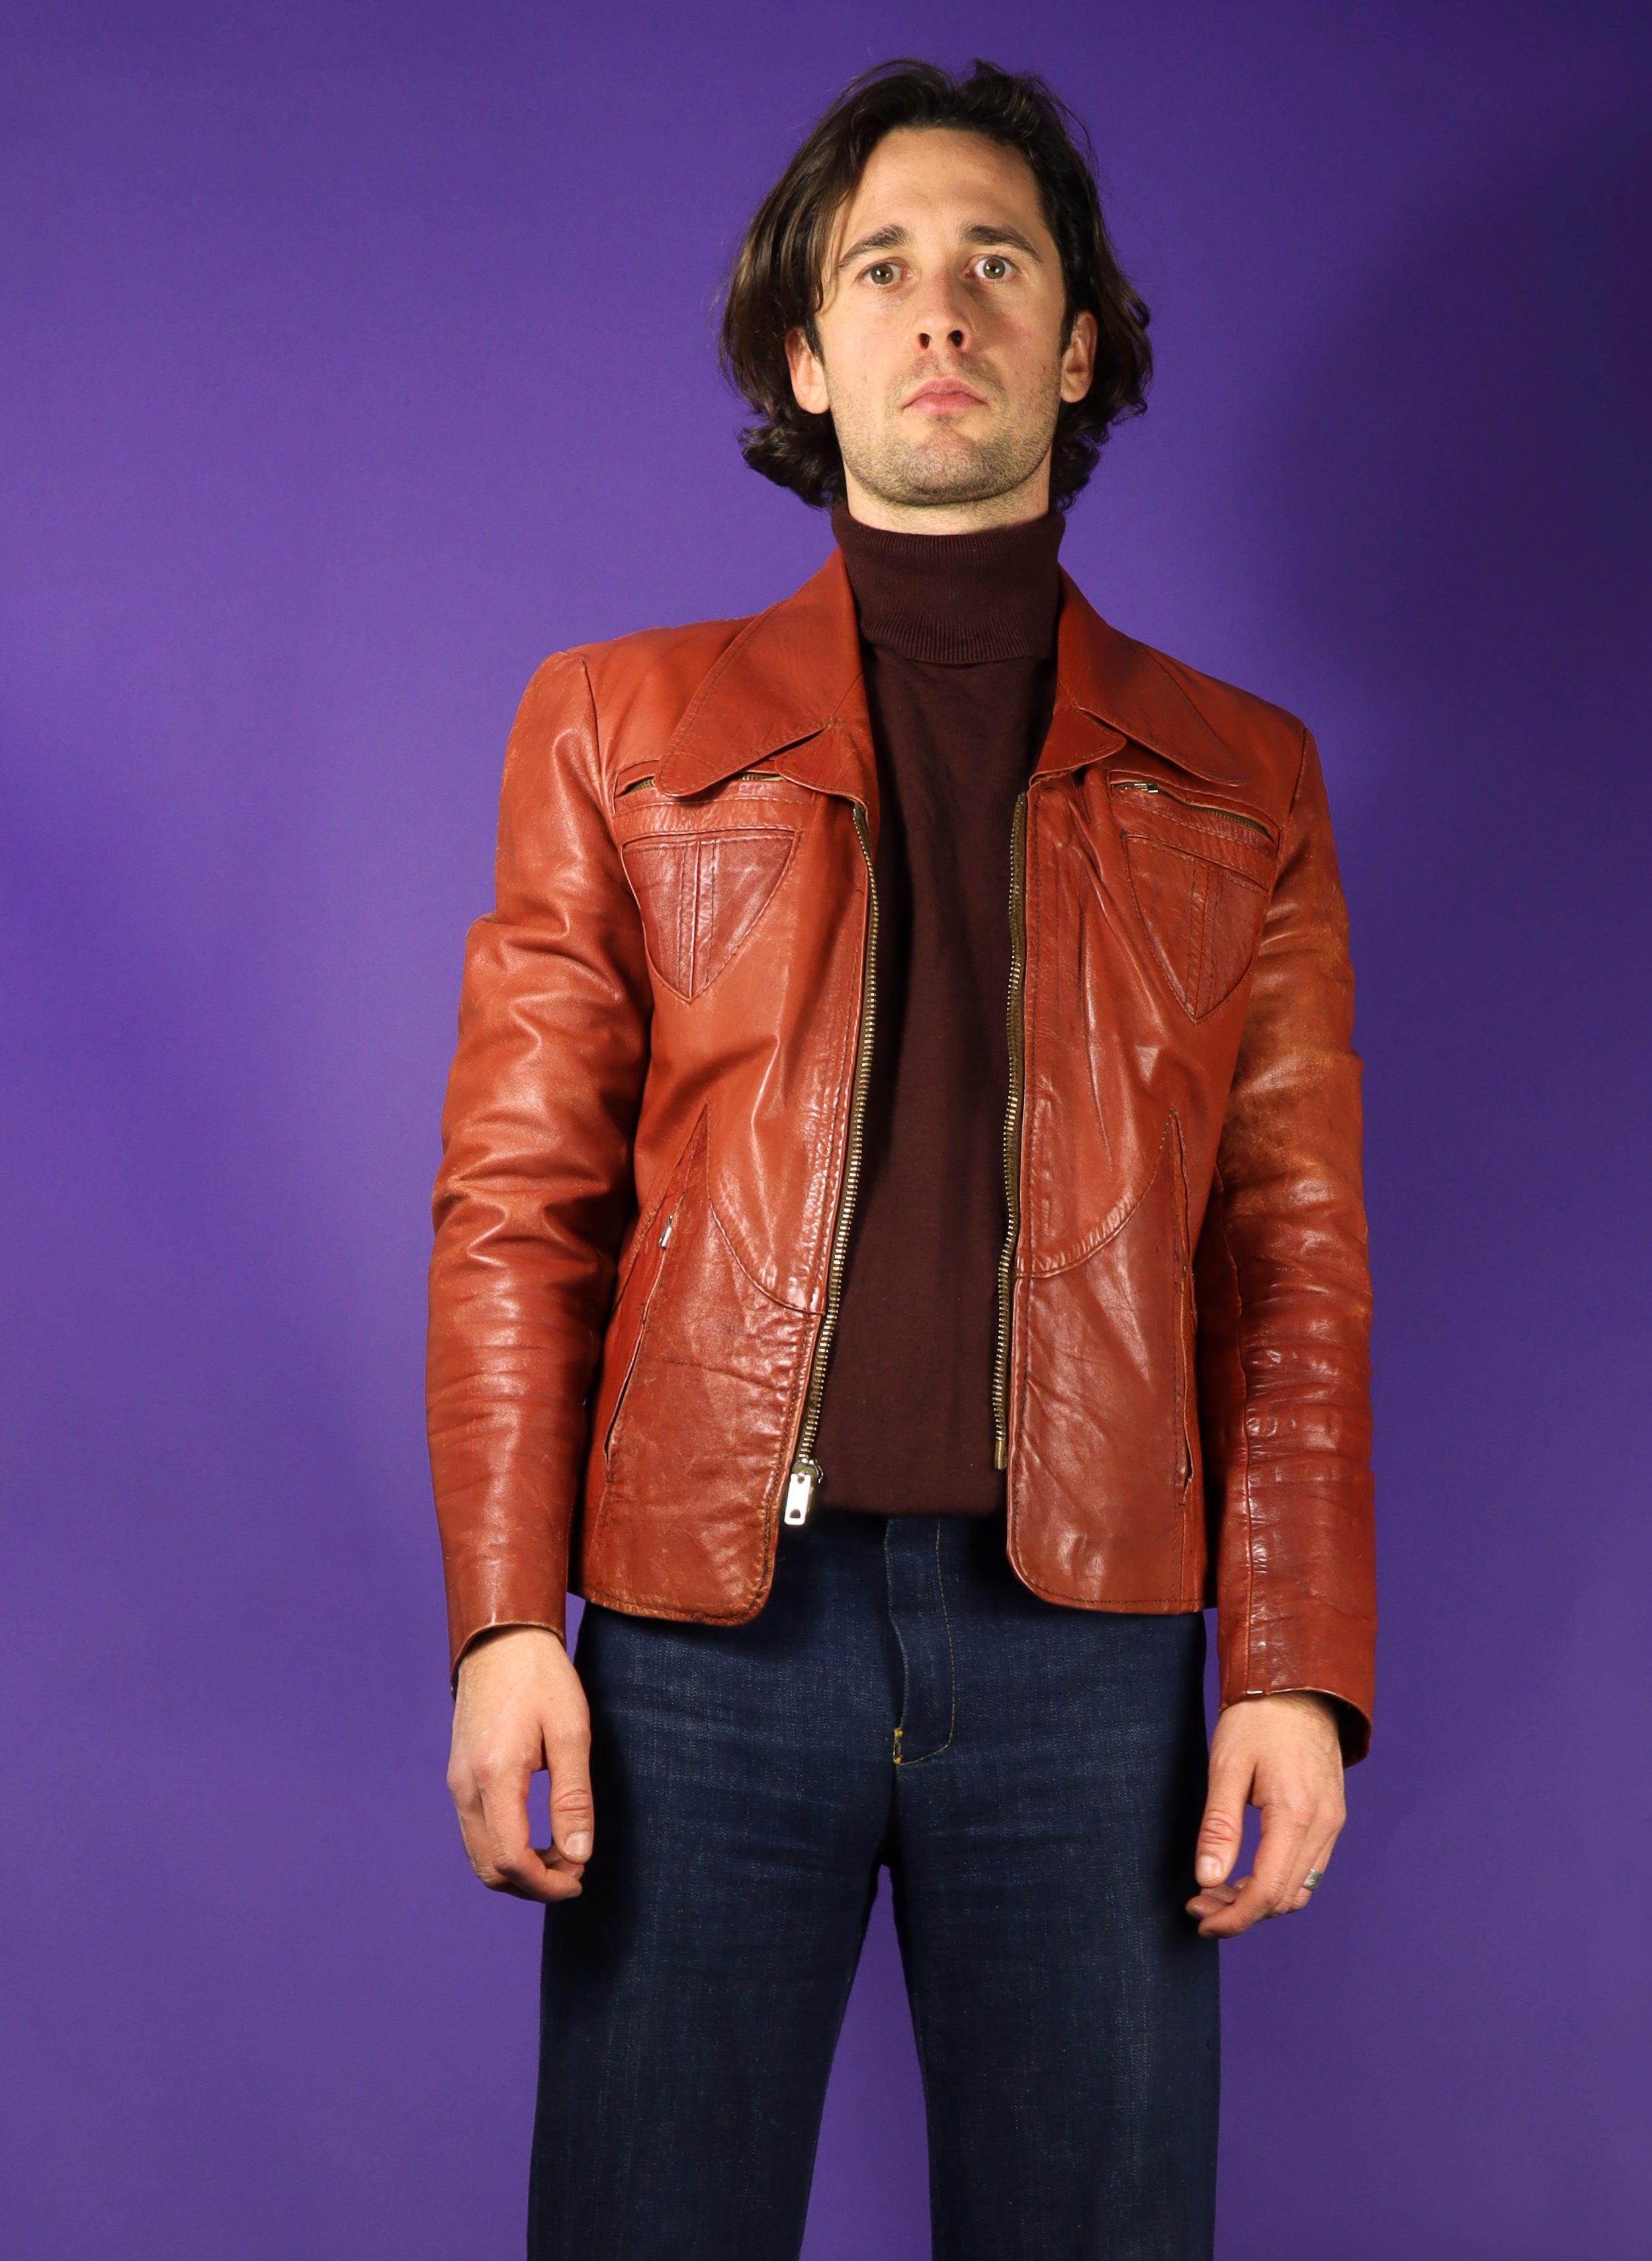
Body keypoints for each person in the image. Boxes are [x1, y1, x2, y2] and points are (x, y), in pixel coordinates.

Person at [427, 56, 1374, 2261]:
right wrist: (502, 1620)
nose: (940, 307)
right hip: (698, 1642)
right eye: (881, 268)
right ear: (806, 351)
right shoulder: (616, 727)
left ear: (1079, 345)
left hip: (1093, 1651)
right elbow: (519, 1203)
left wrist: (1293, 1662)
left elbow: (1291, 1254)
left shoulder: (1244, 775)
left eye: (996, 263)